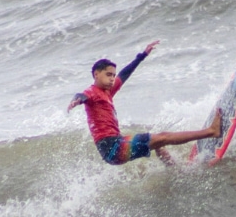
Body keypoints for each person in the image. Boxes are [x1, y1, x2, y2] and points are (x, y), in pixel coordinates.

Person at [67, 40, 221, 166]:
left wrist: (142, 56)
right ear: (96, 74)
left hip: (116, 143)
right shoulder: (92, 92)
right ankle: (211, 132)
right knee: (163, 137)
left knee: (157, 143)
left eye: (113, 75)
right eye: (108, 75)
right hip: (112, 148)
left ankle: (176, 170)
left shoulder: (107, 91)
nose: (112, 79)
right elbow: (83, 96)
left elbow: (125, 73)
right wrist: (77, 100)